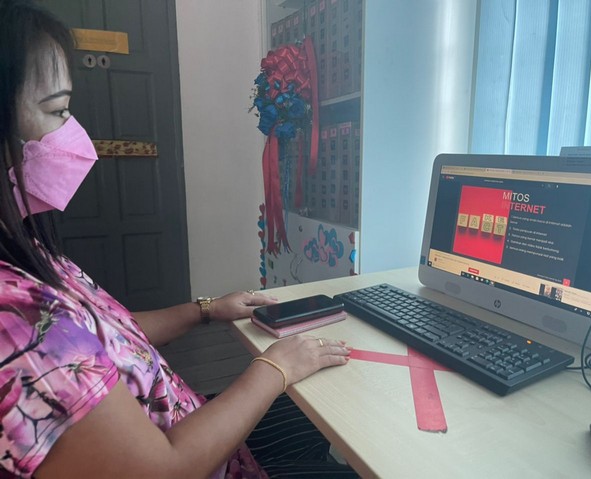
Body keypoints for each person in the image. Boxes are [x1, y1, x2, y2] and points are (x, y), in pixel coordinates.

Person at [0, 1, 356, 477]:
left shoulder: (27, 256)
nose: (76, 133)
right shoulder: (16, 323)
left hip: (189, 423)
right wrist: (275, 368)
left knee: (316, 422)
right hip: (192, 458)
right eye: (58, 110)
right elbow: (164, 469)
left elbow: (108, 335)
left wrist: (205, 309)